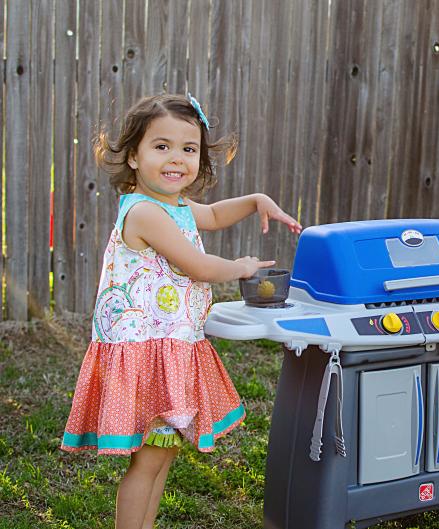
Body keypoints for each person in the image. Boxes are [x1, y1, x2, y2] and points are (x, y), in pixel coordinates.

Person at [61, 93, 302, 529]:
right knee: (147, 463)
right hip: (145, 356)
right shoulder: (145, 212)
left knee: (161, 456)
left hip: (168, 350)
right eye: (161, 147)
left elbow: (209, 214)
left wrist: (255, 200)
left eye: (188, 149)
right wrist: (241, 267)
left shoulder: (176, 206)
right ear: (133, 156)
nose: (177, 159)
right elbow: (197, 266)